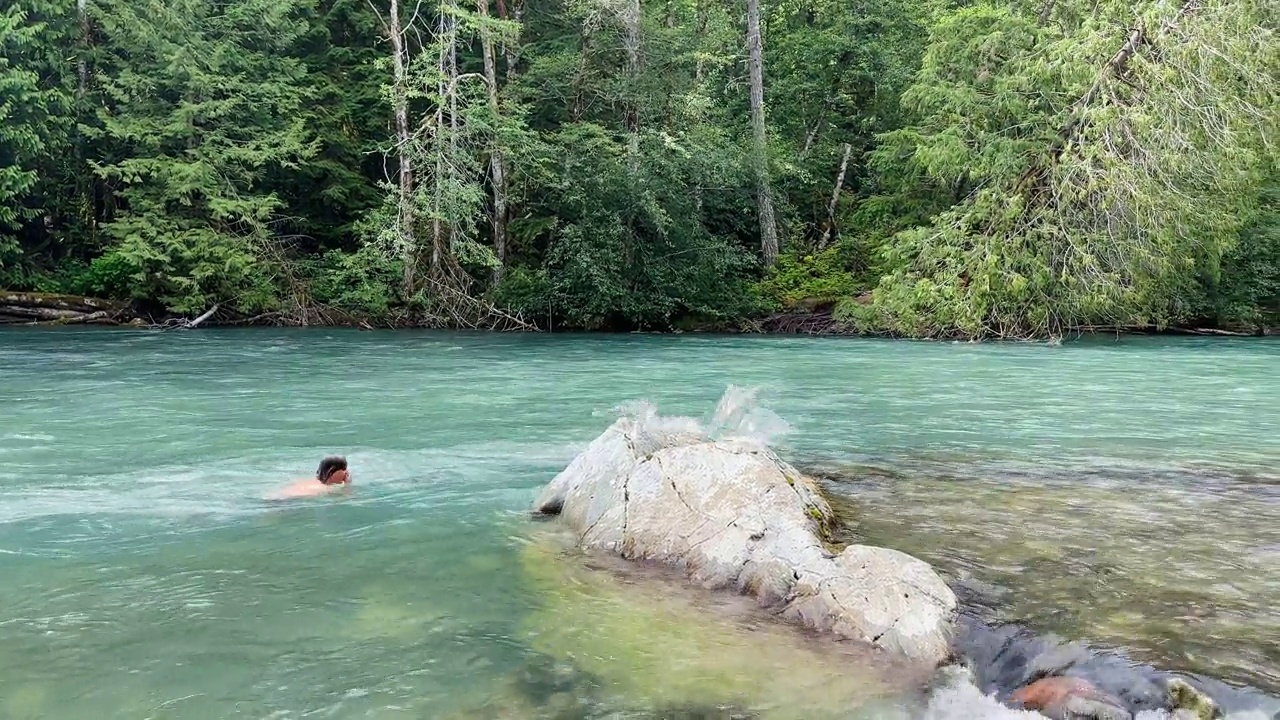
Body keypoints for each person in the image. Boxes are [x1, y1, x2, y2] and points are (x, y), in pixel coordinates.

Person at [267, 455, 352, 500]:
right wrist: (347, 483)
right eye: (344, 470)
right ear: (333, 472)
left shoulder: (311, 482)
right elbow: (346, 498)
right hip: (284, 503)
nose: (346, 473)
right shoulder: (324, 488)